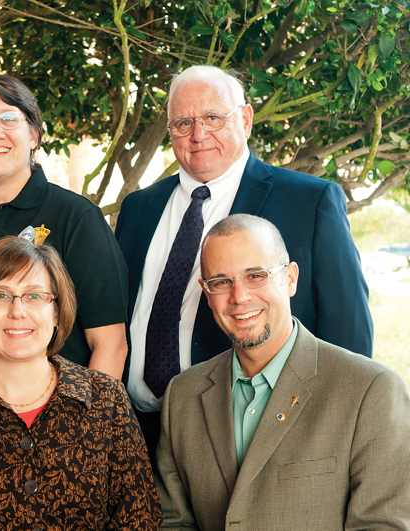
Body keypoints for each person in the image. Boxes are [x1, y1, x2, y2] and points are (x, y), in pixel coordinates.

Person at [114, 65, 372, 454]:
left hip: (260, 435)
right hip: (137, 432)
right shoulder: (139, 208)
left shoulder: (309, 201)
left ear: (246, 119)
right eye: (183, 122)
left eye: (213, 118)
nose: (198, 135)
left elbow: (348, 330)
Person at [155, 214, 410, 530]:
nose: (240, 297)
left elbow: (382, 525)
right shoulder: (182, 395)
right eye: (221, 282)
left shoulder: (372, 391)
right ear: (206, 293)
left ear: (290, 279)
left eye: (256, 275)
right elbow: (173, 522)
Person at [0, 236, 162, 530]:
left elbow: (140, 517)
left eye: (35, 296)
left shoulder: (108, 399)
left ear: (56, 312)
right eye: (1, 295)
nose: (18, 311)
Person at [0, 72, 129, 386]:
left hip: (56, 425)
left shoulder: (77, 218)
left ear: (33, 135)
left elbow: (110, 345)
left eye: (9, 118)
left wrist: (86, 429)